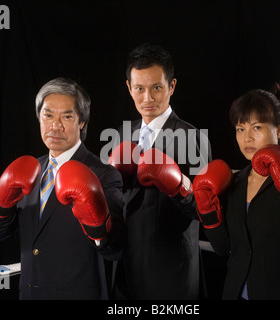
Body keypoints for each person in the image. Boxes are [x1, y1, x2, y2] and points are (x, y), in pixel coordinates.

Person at [0, 77, 125, 300]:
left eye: (67, 116)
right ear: (39, 118)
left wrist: (98, 227)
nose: (55, 126)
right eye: (48, 115)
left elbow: (116, 249)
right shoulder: (30, 170)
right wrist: (1, 204)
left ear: (82, 121)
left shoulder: (103, 174)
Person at [193, 82, 280, 299]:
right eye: (240, 129)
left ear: (279, 129)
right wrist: (206, 208)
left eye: (257, 127)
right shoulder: (233, 182)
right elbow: (222, 247)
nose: (247, 138)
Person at [108, 43, 212, 299]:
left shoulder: (193, 137)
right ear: (129, 88)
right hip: (125, 267)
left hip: (170, 269)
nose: (148, 98)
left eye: (156, 88)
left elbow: (206, 212)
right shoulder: (122, 134)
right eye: (140, 89)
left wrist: (179, 188)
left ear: (172, 86)